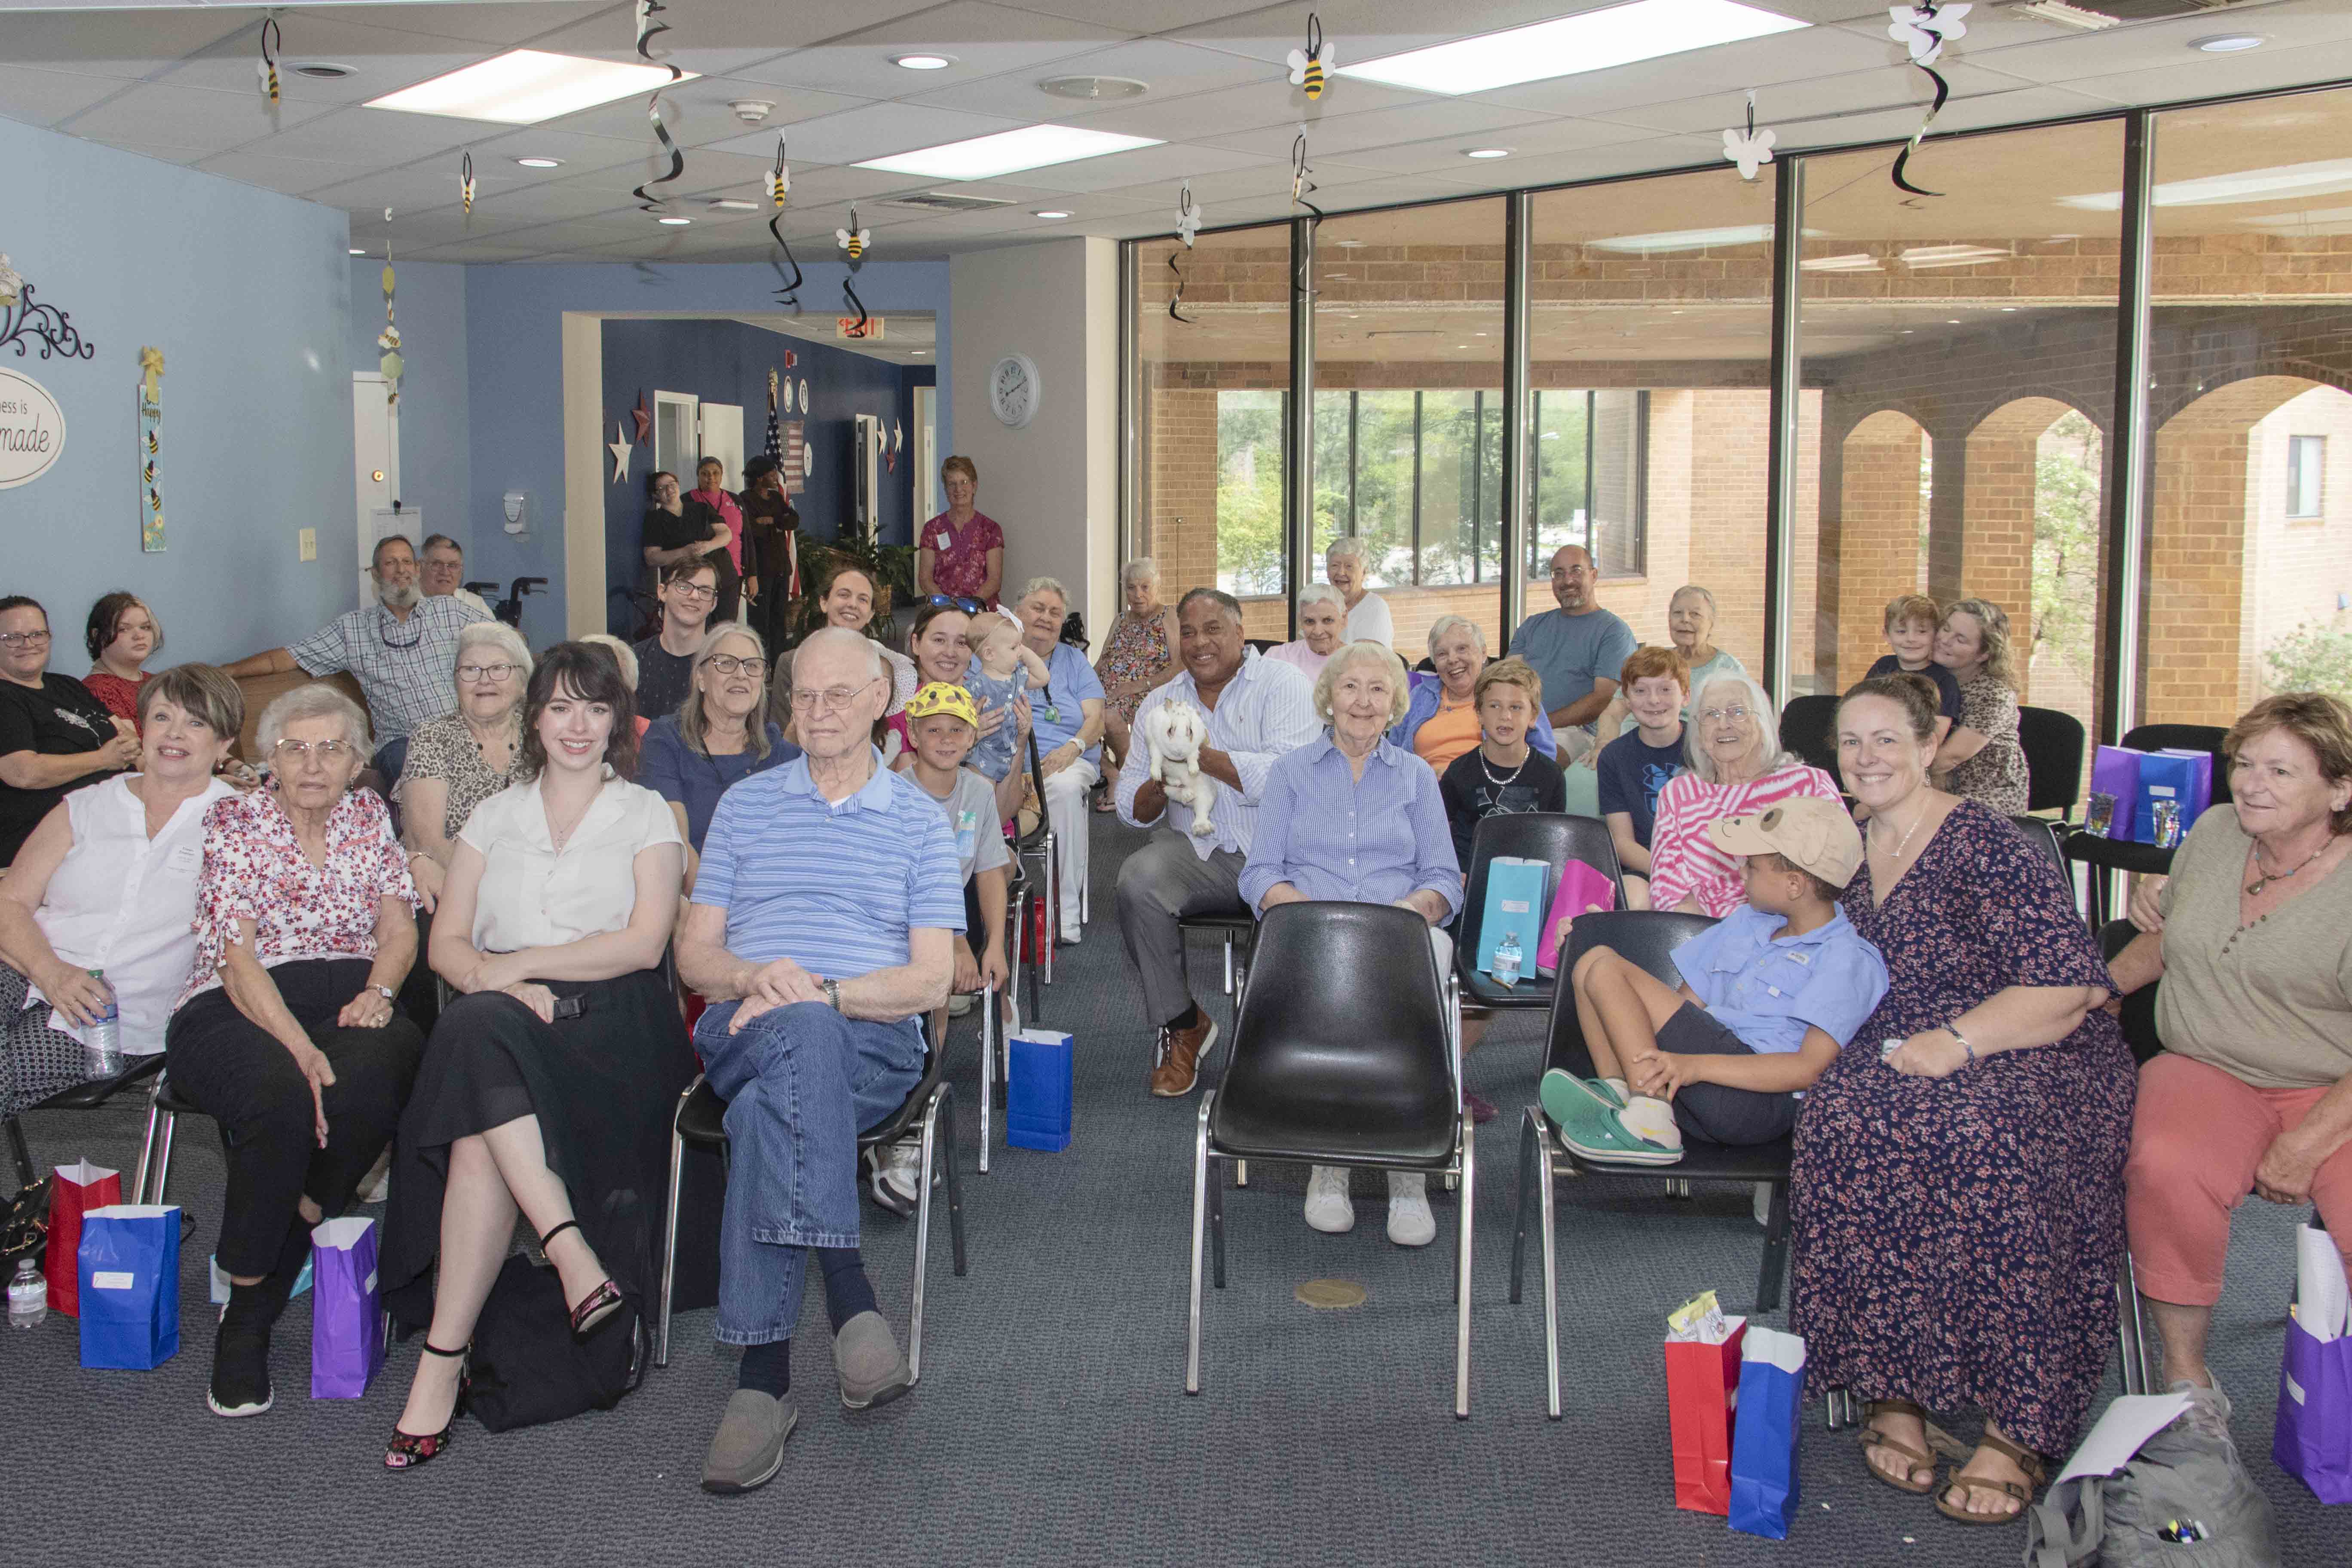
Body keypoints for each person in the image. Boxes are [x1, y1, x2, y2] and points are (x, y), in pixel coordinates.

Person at [1791, 672, 2131, 1525]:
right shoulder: (1841, 845)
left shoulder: (1983, 840)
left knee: (1979, 1134)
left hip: (2025, 1043)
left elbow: (2066, 986)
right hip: (1893, 1045)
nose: (1868, 758)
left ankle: (2019, 1424)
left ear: (1930, 746)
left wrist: (1960, 1043)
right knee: (1841, 1118)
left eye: (1887, 740)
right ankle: (1894, 1387)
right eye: (1853, 742)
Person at [378, 642, 692, 1470]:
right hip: (502, 1021)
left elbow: (644, 941)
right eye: (560, 707)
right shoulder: (494, 815)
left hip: (614, 1029)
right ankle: (566, 1256)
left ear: (618, 721)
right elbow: (443, 943)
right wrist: (495, 983)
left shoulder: (645, 812)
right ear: (535, 719)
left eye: (595, 708)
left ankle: (440, 1364)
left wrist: (507, 970)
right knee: (482, 1046)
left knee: (475, 1049)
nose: (577, 725)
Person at [675, 627, 962, 1496]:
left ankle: (762, 1380)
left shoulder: (919, 819)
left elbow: (931, 979)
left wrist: (827, 997)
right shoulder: (747, 805)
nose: (818, 711)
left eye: (840, 694)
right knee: (793, 1042)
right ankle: (848, 1293)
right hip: (745, 1026)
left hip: (869, 1036)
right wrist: (756, 975)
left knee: (778, 1100)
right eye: (803, 694)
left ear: (884, 702)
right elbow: (695, 959)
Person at [165, 682, 424, 1419]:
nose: (313, 763)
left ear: (355, 762)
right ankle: (246, 1313)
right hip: (237, 1001)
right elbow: (235, 956)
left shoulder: (370, 815)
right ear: (268, 757)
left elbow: (399, 928)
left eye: (332, 748)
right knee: (279, 1096)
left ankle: (300, 1209)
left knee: (381, 1072)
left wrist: (380, 990)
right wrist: (298, 1045)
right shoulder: (234, 820)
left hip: (350, 989)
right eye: (294, 747)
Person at [2107, 692, 2352, 1400]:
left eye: (2279, 771)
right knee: (2164, 1164)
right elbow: (2170, 943)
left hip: (2333, 1088)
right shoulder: (2214, 832)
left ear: (2339, 788)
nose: (2250, 783)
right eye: (2244, 764)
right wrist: (2087, 995)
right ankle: (2186, 1384)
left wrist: (2305, 1144)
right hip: (2208, 1065)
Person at [1240, 640, 1461, 1246]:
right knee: (1330, 987)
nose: (1363, 701)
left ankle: (1409, 1176)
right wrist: (1316, 921)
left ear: (1394, 704)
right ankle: (1328, 1168)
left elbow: (1444, 878)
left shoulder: (1416, 776)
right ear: (1328, 698)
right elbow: (1258, 874)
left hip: (1399, 929)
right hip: (1311, 933)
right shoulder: (1290, 773)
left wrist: (1404, 916)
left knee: (1432, 958)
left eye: (1378, 689)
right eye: (1350, 687)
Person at [1545, 796, 1885, 1164]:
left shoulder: (1848, 959)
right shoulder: (1747, 923)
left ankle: (1651, 1119)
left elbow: (1808, 1068)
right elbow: (1684, 1010)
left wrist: (1695, 1066)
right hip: (1695, 1086)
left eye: (1752, 867)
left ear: (1794, 885)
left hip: (1757, 1102)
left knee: (1608, 968)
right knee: (1592, 960)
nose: (1741, 874)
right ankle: (1625, 1098)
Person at [0, 665, 242, 1120]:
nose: (174, 734)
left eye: (196, 722)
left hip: (112, 1016)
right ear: (141, 727)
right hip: (26, 964)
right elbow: (10, 901)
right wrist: (50, 972)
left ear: (224, 744)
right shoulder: (88, 805)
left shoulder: (242, 826)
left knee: (10, 1065)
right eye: (162, 717)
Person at [1115, 590, 1320, 1098]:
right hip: (1199, 854)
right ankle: (1184, 1025)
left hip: (1282, 855)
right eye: (1188, 632)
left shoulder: (1284, 683)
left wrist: (1201, 756)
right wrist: (1159, 781)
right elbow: (1129, 809)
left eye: (1213, 630)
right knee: (1138, 880)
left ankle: (1287, 1043)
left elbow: (1289, 778)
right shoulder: (1159, 705)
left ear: (1240, 633)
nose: (1199, 643)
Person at [222, 535, 491, 782]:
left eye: (407, 562)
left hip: (460, 733)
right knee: (426, 775)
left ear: (418, 569)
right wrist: (230, 671)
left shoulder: (450, 611)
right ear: (375, 574)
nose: (401, 570)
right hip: (403, 743)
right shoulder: (353, 629)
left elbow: (503, 641)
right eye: (391, 563)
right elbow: (287, 657)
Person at [898, 681, 1013, 1199]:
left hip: (951, 913)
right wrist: (957, 942)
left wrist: (994, 945)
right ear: (914, 736)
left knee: (938, 997)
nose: (946, 738)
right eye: (933, 729)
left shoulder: (978, 792)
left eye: (957, 730)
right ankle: (905, 1104)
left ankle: (915, 1102)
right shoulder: (896, 790)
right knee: (935, 980)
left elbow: (990, 870)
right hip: (894, 914)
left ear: (972, 739)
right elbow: (911, 883)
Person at [1647, 676, 1841, 920]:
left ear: (1763, 723)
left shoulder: (1807, 785)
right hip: (1707, 937)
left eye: (1737, 712)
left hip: (1790, 936)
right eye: (1710, 715)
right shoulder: (1679, 794)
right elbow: (1666, 893)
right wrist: (1716, 938)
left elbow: (1832, 876)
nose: (1723, 724)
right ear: (1698, 731)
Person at [639, 625, 797, 891]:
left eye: (752, 666)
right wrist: (712, 907)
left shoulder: (780, 753)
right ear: (701, 677)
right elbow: (676, 840)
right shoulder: (665, 741)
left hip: (766, 902)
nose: (740, 675)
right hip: (693, 899)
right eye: (725, 663)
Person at [396, 621, 531, 914]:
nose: (485, 680)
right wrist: (497, 892)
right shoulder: (433, 737)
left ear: (522, 684)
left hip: (532, 885)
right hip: (451, 887)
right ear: (456, 683)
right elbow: (428, 841)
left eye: (499, 669)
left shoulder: (541, 736)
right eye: (470, 670)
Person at [0, 596, 138, 866]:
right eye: (12, 637)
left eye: (37, 634)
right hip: (47, 841)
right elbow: (22, 772)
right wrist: (103, 759)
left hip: (114, 819)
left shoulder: (68, 686)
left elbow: (126, 734)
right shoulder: (5, 698)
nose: (28, 645)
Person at [1010, 577, 1105, 944]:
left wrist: (1074, 748)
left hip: (1067, 760)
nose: (1047, 618)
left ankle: (1062, 914)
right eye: (1038, 608)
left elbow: (1096, 717)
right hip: (1011, 764)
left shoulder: (1074, 660)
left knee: (1065, 789)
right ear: (1018, 612)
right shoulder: (997, 655)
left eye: (1055, 613)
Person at [1507, 544, 1637, 763]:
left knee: (1533, 765)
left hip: (1576, 732)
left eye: (1576, 571)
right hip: (1519, 726)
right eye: (1559, 573)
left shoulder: (1613, 632)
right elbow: (1506, 680)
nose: (1567, 581)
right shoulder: (1532, 626)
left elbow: (1603, 699)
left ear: (1594, 575)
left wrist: (1538, 723)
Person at [1437, 657, 1565, 870]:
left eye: (1516, 707)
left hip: (1529, 882)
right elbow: (1439, 836)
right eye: (1495, 706)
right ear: (1479, 713)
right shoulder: (1458, 773)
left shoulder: (1550, 775)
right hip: (1469, 881)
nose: (1505, 716)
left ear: (1533, 717)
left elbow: (1554, 844)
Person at [1394, 616, 1561, 774]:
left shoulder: (1512, 692)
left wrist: (1461, 778)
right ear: (1435, 663)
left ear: (1483, 653)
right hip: (1424, 790)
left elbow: (1544, 754)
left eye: (1462, 649)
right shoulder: (1419, 696)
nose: (1453, 659)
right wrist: (1423, 779)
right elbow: (1393, 752)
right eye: (1442, 654)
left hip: (1488, 791)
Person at [772, 564, 918, 743]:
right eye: (844, 595)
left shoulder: (882, 666)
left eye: (863, 600)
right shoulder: (791, 662)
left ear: (871, 614)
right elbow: (779, 737)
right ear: (824, 602)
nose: (852, 604)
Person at [1592, 585, 1746, 750]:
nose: (1685, 619)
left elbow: (1741, 723)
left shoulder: (1728, 669)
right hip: (1632, 747)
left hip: (1694, 754)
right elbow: (1613, 714)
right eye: (1678, 613)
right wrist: (1603, 747)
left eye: (1695, 614)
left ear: (1711, 623)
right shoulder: (1653, 660)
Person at [1596, 647, 1690, 907]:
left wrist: (1690, 875)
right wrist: (1667, 872)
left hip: (1701, 864)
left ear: (1686, 696)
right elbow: (1622, 842)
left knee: (1689, 906)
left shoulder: (1705, 749)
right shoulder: (1614, 757)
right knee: (1634, 898)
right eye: (1640, 691)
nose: (1654, 700)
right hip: (1645, 864)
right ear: (1627, 699)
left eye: (1665, 689)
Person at [1930, 597, 2029, 815]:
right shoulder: (1930, 679)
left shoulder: (1995, 695)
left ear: (1983, 654)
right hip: (1936, 790)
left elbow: (1949, 758)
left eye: (1961, 639)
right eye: (1946, 629)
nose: (1945, 640)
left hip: (1987, 798)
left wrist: (1895, 782)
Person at [1093, 557, 1182, 792]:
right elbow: (1103, 661)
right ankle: (1115, 773)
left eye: (1145, 587)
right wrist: (1082, 684)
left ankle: (1126, 773)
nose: (1138, 594)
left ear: (1157, 587)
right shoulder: (1121, 619)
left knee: (1107, 717)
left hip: (1148, 692)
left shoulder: (1168, 616)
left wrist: (1137, 686)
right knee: (1072, 712)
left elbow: (1179, 666)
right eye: (1131, 588)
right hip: (1110, 691)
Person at [962, 611, 1050, 786]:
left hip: (1014, 756)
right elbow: (964, 723)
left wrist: (1021, 649)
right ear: (989, 654)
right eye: (1013, 648)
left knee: (1013, 804)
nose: (1019, 653)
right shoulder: (976, 686)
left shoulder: (1017, 678)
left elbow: (1043, 677)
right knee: (982, 800)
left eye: (1020, 646)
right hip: (984, 758)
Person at [631, 556, 720, 725]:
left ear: (714, 604)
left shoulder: (726, 666)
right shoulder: (633, 661)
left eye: (705, 591)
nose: (695, 596)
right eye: (684, 587)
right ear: (662, 592)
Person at [641, 469, 738, 625]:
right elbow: (651, 557)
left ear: (678, 486)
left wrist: (708, 546)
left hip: (723, 576)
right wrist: (684, 552)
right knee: (696, 631)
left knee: (724, 630)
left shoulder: (701, 508)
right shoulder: (655, 519)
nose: (669, 490)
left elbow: (726, 534)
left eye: (672, 485)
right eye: (662, 488)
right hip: (689, 587)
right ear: (655, 496)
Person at [1868, 594, 1959, 750]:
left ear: (1936, 635)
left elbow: (1935, 737)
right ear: (1887, 635)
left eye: (1922, 632)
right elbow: (1863, 708)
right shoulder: (1881, 667)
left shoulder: (1945, 681)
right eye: (1901, 632)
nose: (1911, 639)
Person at [915, 456, 1004, 609]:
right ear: (945, 489)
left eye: (964, 482)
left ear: (974, 486)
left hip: (981, 609)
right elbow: (925, 578)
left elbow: (995, 580)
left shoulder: (991, 529)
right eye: (952, 484)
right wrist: (948, 606)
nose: (958, 490)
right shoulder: (932, 529)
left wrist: (970, 605)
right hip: (943, 610)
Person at [739, 455, 799, 653]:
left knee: (779, 621)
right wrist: (777, 523)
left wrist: (773, 521)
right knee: (760, 623)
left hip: (782, 566)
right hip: (762, 569)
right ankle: (761, 667)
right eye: (772, 473)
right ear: (759, 477)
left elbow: (793, 520)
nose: (776, 476)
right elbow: (753, 532)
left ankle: (778, 665)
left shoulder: (775, 497)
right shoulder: (746, 499)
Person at [82, 591, 162, 731]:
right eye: (124, 629)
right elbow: (130, 750)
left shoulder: (158, 682)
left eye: (145, 627)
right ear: (97, 636)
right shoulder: (98, 691)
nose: (139, 636)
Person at [688, 456, 750, 607]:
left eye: (716, 473)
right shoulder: (688, 500)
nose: (711, 478)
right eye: (705, 474)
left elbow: (747, 537)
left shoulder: (735, 500)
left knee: (727, 623)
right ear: (698, 476)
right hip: (701, 572)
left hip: (733, 573)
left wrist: (752, 574)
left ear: (722, 476)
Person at [1262, 584, 1345, 683]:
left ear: (1344, 619)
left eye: (1328, 620)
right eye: (1310, 621)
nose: (1318, 632)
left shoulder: (1358, 660)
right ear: (1300, 621)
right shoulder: (1278, 657)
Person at [1323, 536, 1391, 648]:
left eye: (1349, 567)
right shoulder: (1321, 603)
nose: (1341, 573)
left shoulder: (1375, 607)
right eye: (1335, 565)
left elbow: (1368, 657)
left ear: (1364, 573)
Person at [419, 534, 491, 617]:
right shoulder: (407, 605)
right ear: (421, 567)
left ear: (461, 572)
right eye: (437, 564)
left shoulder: (475, 604)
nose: (445, 572)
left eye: (453, 566)